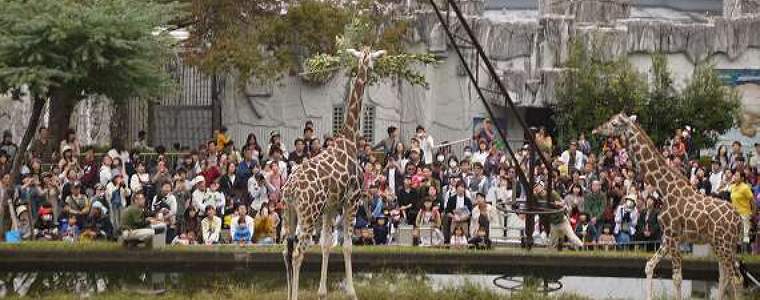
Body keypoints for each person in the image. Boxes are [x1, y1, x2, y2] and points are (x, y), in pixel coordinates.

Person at [729, 170, 755, 247]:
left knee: (745, 234)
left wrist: (752, 214)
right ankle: (738, 252)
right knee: (736, 234)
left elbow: (753, 201)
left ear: (742, 178)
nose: (735, 177)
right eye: (734, 175)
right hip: (734, 214)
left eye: (737, 176)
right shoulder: (733, 186)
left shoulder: (745, 188)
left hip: (744, 214)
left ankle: (746, 253)